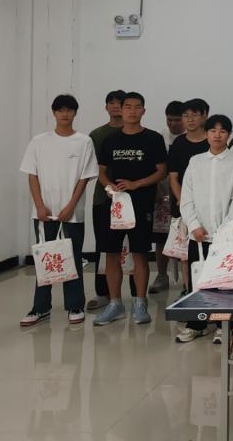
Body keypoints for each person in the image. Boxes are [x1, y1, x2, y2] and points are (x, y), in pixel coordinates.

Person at [19, 94, 98, 327]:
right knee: (45, 259)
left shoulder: (84, 142)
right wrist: (39, 205)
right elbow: (32, 175)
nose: (65, 114)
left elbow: (85, 178)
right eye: (60, 110)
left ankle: (75, 305)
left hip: (72, 213)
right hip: (43, 213)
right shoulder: (38, 141)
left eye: (69, 110)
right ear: (54, 113)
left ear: (75, 113)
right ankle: (40, 307)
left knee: (72, 257)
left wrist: (71, 206)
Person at [94, 92, 168, 326]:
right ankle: (115, 304)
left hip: (141, 203)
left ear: (143, 111)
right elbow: (101, 171)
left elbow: (161, 171)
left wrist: (137, 184)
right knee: (112, 253)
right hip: (115, 205)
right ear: (121, 110)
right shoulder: (110, 140)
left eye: (137, 107)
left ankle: (140, 303)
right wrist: (109, 187)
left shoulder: (153, 138)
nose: (132, 111)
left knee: (139, 253)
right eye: (128, 107)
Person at [175, 115, 233, 343]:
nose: (217, 135)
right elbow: (186, 198)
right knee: (198, 280)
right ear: (206, 134)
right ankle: (196, 324)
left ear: (229, 135)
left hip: (225, 237)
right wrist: (194, 225)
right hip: (198, 235)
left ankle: (222, 325)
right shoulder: (196, 162)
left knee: (223, 283)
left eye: (222, 131)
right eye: (213, 130)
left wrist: (225, 230)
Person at [166, 98, 211, 295]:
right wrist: (183, 201)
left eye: (194, 115)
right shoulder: (179, 143)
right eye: (186, 115)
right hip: (184, 205)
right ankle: (188, 289)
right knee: (185, 252)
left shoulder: (211, 141)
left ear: (205, 116)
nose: (190, 119)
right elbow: (173, 177)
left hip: (209, 204)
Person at [87, 90, 126, 311]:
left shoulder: (136, 132)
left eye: (120, 103)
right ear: (106, 107)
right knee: (103, 247)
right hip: (103, 198)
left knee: (132, 248)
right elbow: (92, 166)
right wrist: (109, 187)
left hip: (131, 198)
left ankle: (134, 293)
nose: (115, 106)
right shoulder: (96, 134)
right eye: (111, 103)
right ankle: (102, 292)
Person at [150, 100, 184, 294]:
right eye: (169, 120)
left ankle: (188, 280)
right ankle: (162, 275)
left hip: (183, 193)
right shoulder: (159, 137)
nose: (173, 124)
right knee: (161, 236)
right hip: (162, 192)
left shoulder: (191, 137)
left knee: (186, 235)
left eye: (177, 120)